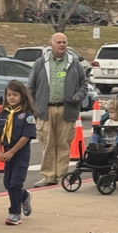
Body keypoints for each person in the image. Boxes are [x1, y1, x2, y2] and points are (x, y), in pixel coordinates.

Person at [27, 32, 88, 186]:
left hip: (66, 110)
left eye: (64, 42)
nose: (62, 45)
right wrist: (34, 108)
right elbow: (30, 87)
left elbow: (84, 84)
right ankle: (48, 177)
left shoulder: (74, 63)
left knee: (63, 144)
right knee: (48, 144)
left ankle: (62, 176)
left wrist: (77, 96)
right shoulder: (41, 63)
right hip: (45, 110)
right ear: (52, 44)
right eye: (59, 42)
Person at [0, 79, 37, 225]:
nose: (11, 97)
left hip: (20, 154)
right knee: (8, 184)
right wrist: (0, 152)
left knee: (15, 184)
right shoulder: (3, 114)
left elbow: (26, 136)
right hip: (6, 153)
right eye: (9, 94)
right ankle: (24, 196)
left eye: (15, 95)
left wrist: (12, 152)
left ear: (22, 96)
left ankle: (15, 213)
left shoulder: (27, 115)